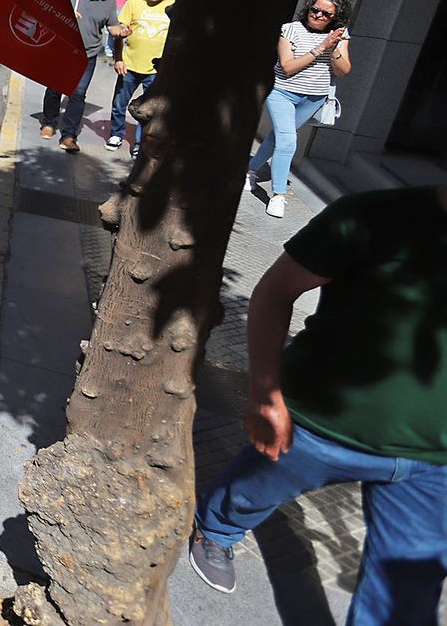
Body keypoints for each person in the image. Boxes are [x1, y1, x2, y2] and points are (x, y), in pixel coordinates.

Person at [188, 186, 447, 623]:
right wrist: (264, 393)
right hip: (315, 427)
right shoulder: (372, 215)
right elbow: (274, 292)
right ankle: (216, 529)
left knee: (404, 602)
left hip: (433, 464)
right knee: (248, 494)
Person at [244, 0, 354, 218]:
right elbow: (288, 67)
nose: (318, 15)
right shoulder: (290, 29)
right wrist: (321, 47)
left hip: (314, 97)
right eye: (315, 10)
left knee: (278, 137)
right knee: (287, 140)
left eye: (326, 14)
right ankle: (278, 195)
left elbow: (343, 71)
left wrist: (334, 47)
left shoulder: (340, 35)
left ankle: (252, 170)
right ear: (308, 9)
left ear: (335, 17)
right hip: (282, 92)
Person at [40, 0, 129, 154]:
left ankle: (69, 135)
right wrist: (65, 14)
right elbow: (46, 14)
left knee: (78, 94)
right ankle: (49, 122)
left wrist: (121, 31)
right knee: (55, 87)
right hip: (62, 50)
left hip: (87, 55)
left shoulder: (109, 2)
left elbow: (112, 27)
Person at [108, 0, 176, 157]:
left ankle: (140, 143)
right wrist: (118, 59)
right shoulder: (134, 2)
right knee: (119, 103)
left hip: (157, 70)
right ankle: (116, 133)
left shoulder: (175, 6)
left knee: (149, 110)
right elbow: (119, 32)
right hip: (129, 65)